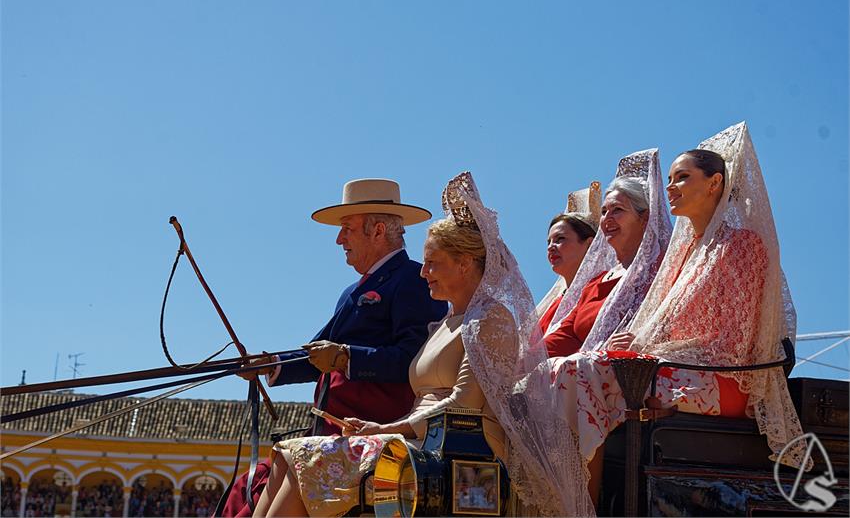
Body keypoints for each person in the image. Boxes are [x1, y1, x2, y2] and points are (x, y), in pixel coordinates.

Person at [515, 124, 806, 516]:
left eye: (683, 177)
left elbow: (732, 342)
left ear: (715, 183)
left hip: (725, 380)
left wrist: (651, 356)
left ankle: (583, 509)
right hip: (675, 370)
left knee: (576, 372)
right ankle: (564, 503)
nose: (670, 186)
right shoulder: (683, 255)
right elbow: (661, 328)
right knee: (554, 372)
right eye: (669, 178)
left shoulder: (743, 245)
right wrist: (637, 346)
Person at [252, 171, 526, 517]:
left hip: (461, 454)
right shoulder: (443, 324)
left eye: (433, 263)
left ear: (465, 263)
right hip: (420, 441)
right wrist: (270, 364)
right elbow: (319, 349)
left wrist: (384, 426)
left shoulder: (489, 319)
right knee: (287, 456)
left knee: (304, 460)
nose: (424, 272)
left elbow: (462, 405)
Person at [223, 178, 447, 517]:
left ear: (378, 230)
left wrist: (346, 358)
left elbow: (412, 362)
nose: (340, 239)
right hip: (330, 430)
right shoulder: (352, 292)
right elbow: (315, 354)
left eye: (347, 229)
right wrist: (271, 364)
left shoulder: (413, 282)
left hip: (371, 427)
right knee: (246, 490)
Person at [543, 149, 672, 357]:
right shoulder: (594, 284)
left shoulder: (663, 270)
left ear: (644, 218)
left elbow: (676, 324)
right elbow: (562, 339)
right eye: (604, 212)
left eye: (617, 210)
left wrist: (643, 341)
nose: (607, 218)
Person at [535, 182, 600, 335]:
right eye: (548, 242)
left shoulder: (598, 292)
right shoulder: (550, 306)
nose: (551, 247)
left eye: (560, 239)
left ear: (589, 244)